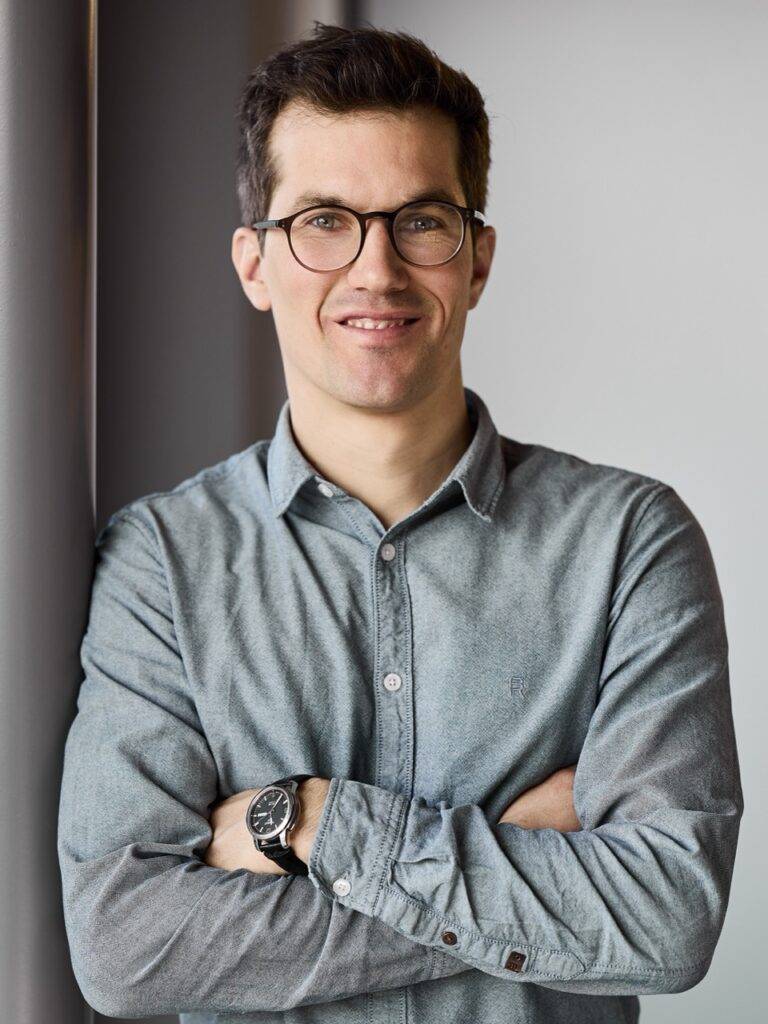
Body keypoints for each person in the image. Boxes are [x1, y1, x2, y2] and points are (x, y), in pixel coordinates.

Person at [57, 21, 742, 1024]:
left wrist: (315, 823)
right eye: (324, 222)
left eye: (420, 221)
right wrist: (518, 871)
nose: (376, 271)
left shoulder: (632, 543)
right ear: (253, 264)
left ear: (478, 259)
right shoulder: (162, 561)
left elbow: (670, 915)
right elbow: (125, 945)